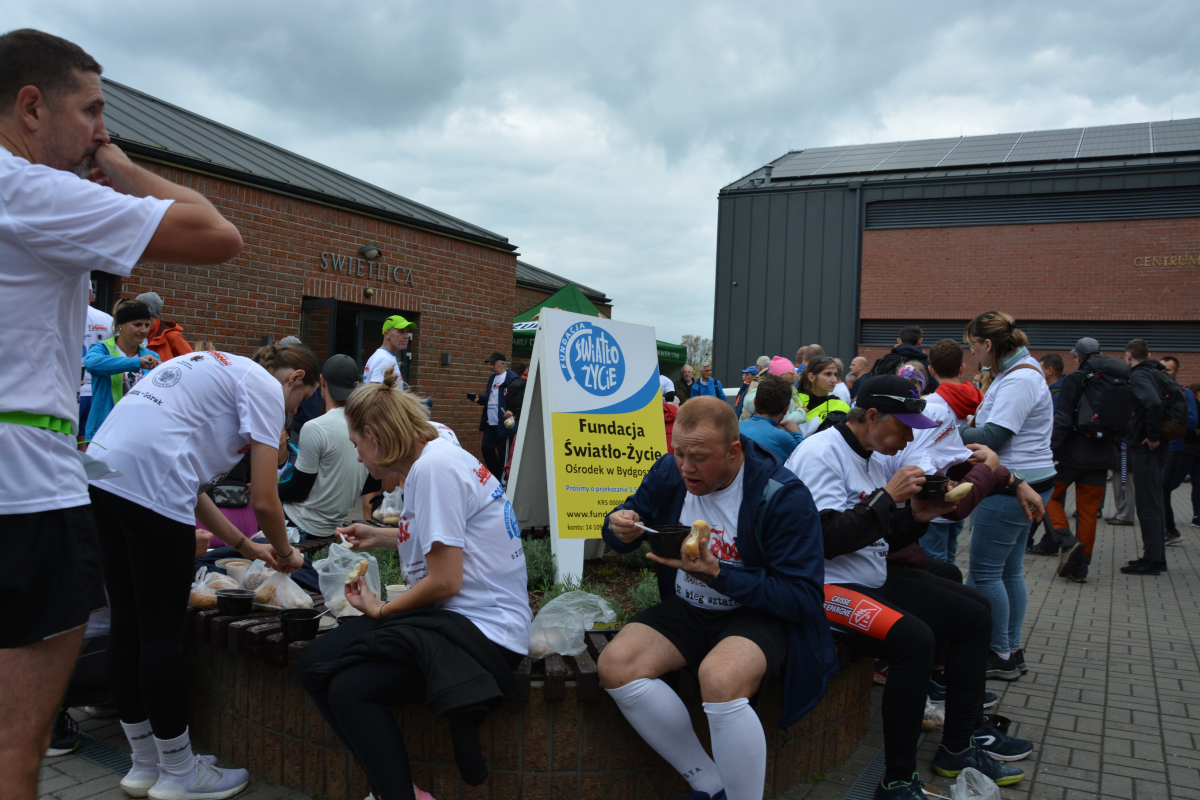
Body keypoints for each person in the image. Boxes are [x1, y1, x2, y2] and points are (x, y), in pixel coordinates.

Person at [0, 29, 242, 799]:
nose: (99, 131)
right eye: (92, 112)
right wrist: (122, 165)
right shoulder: (29, 191)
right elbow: (218, 234)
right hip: (24, 487)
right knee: (14, 747)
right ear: (31, 108)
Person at [785, 375, 1028, 799]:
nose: (910, 438)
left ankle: (959, 747)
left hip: (869, 577)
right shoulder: (820, 453)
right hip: (822, 588)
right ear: (872, 415)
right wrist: (886, 497)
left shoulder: (875, 457)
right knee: (915, 640)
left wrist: (918, 516)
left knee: (975, 613)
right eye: (904, 427)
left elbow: (882, 538)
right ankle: (896, 780)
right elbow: (823, 540)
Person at [86, 343, 312, 797]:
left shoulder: (219, 368)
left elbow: (191, 488)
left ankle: (144, 764)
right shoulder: (266, 388)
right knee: (161, 634)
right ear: (295, 379)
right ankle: (179, 773)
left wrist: (246, 546)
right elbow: (265, 498)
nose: (292, 413)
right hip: (151, 485)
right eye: (300, 402)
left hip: (101, 472)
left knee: (128, 624)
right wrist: (286, 552)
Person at [298, 369, 531, 800]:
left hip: (484, 632)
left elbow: (445, 581)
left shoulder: (434, 469)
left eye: (356, 444)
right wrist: (380, 536)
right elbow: (452, 538)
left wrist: (380, 610)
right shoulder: (436, 442)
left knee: (347, 688)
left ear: (375, 436)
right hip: (457, 619)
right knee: (315, 665)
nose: (358, 458)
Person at [598, 397, 836, 800]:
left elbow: (803, 597)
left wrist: (719, 574)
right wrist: (618, 525)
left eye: (699, 457)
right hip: (689, 606)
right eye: (679, 453)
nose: (685, 467)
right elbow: (630, 520)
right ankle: (711, 786)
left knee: (720, 678)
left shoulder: (783, 495)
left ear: (733, 450)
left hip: (757, 613)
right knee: (616, 665)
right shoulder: (668, 472)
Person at [961, 312, 1055, 680]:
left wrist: (947, 432)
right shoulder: (1018, 372)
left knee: (985, 573)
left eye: (973, 346)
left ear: (988, 344)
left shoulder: (1019, 379)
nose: (973, 354)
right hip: (1025, 479)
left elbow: (995, 437)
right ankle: (1010, 649)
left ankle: (997, 652)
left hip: (1010, 484)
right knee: (1009, 570)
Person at [1037, 338, 1125, 582]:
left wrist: (1050, 450)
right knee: (1088, 513)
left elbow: (1064, 418)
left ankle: (1067, 541)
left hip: (1072, 454)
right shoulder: (1118, 380)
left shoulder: (1076, 379)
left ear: (1078, 357)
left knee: (1048, 495)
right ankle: (1080, 569)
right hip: (1102, 455)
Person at [279, 354, 374, 539]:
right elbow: (372, 483)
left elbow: (298, 491)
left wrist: (262, 489)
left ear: (322, 381)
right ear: (356, 386)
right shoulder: (367, 426)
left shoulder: (315, 427)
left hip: (300, 525)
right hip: (334, 526)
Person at [916, 339, 983, 562]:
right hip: (962, 485)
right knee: (950, 556)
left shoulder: (929, 405)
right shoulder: (980, 401)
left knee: (933, 561)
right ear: (962, 368)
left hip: (934, 491)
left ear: (931, 370)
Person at [1120, 338, 1172, 575]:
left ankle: (1151, 560)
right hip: (1159, 447)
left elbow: (1152, 403)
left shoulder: (1140, 375)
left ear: (1129, 356)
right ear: (1148, 354)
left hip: (1146, 447)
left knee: (1147, 504)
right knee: (1155, 501)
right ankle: (1157, 557)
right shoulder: (1157, 372)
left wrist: (1152, 435)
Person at [82, 299, 160, 439]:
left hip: (138, 432)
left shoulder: (152, 356)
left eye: (147, 325)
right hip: (104, 432)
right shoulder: (103, 349)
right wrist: (137, 363)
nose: (143, 330)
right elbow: (92, 364)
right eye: (137, 324)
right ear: (121, 325)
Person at [1160, 357, 1200, 544]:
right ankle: (1169, 530)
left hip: (1176, 449)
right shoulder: (1156, 390)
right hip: (1158, 448)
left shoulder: (1184, 392)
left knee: (1164, 488)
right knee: (1162, 489)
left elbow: (1191, 422)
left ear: (1176, 372)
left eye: (1168, 370)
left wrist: (1166, 420)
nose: (1163, 372)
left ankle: (1171, 531)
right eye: (1162, 368)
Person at [468, 351, 517, 479]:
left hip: (504, 423)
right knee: (486, 448)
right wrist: (479, 398)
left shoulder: (512, 378)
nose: (492, 366)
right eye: (491, 364)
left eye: (494, 364)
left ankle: (504, 480)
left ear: (502, 364)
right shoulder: (492, 378)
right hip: (491, 422)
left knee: (503, 454)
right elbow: (491, 398)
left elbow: (518, 400)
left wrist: (512, 411)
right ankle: (497, 475)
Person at [739, 374, 806, 461]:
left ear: (755, 402)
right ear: (786, 409)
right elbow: (804, 458)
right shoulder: (782, 437)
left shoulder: (736, 427)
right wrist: (796, 432)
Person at [78, 282, 113, 446]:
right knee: (91, 442)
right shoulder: (107, 319)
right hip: (98, 390)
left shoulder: (62, 315)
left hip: (72, 390)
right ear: (91, 293)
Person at [792, 355, 852, 436]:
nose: (834, 380)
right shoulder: (796, 399)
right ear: (811, 377)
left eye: (835, 374)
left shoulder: (842, 406)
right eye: (827, 374)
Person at [134, 291, 193, 362]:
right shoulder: (134, 333)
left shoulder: (172, 335)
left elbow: (192, 362)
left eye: (138, 309)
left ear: (149, 312)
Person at [363, 314, 415, 385]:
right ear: (387, 334)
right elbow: (375, 390)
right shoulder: (385, 359)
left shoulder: (382, 356)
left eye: (407, 332)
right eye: (401, 331)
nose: (406, 336)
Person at [891, 325, 939, 394]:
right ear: (920, 341)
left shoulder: (887, 361)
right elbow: (933, 388)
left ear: (899, 341)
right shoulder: (928, 365)